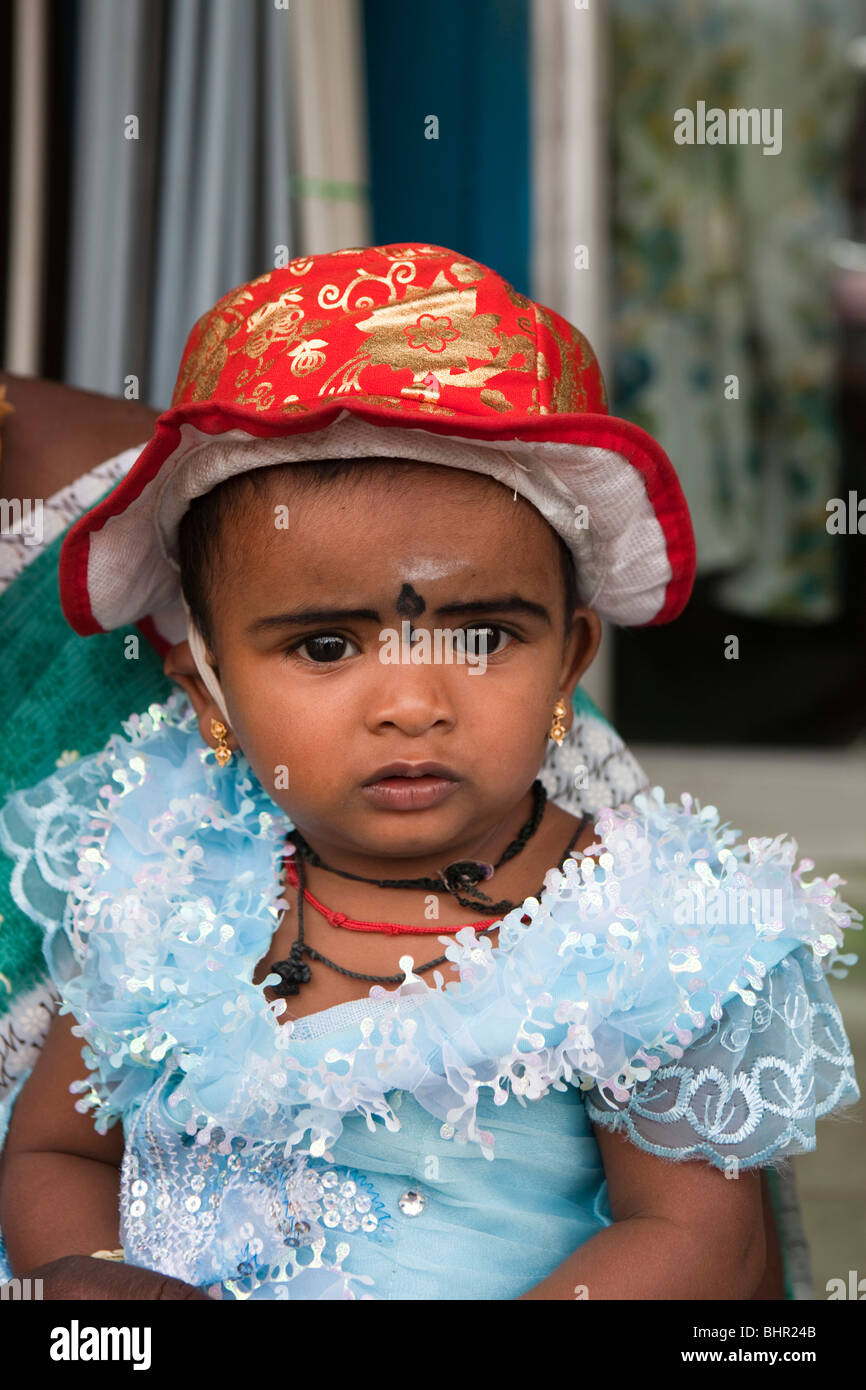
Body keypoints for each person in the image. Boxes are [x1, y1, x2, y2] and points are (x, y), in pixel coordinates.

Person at [0, 243, 859, 1301]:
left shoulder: (642, 928)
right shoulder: (164, 870)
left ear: (567, 660)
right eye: (324, 646)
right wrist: (93, 1272)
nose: (412, 701)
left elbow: (701, 1241)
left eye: (482, 635)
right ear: (205, 683)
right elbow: (57, 1153)